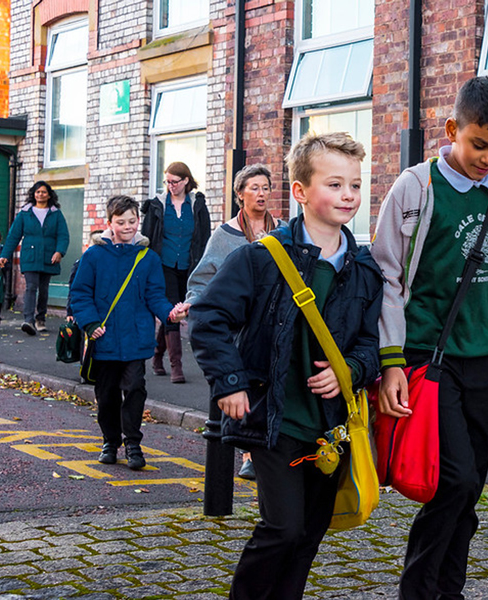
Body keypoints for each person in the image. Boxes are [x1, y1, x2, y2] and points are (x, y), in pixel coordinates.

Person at [188, 132, 382, 599]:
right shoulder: (260, 258)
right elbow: (208, 317)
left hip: (329, 426)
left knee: (310, 533)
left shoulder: (365, 266)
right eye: (334, 185)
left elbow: (373, 343)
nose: (348, 196)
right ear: (300, 191)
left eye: (354, 185)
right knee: (283, 527)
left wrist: (350, 370)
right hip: (273, 418)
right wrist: (230, 383)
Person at [371, 75, 488, 599]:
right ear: (453, 130)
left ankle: (449, 590)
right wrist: (391, 361)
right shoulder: (416, 187)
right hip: (427, 360)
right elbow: (387, 276)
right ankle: (418, 591)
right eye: (479, 145)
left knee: (466, 494)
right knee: (456, 482)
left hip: (483, 362)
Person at [175, 163, 286, 481]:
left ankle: (268, 449)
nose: (261, 193)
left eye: (265, 187)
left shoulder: (284, 231)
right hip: (240, 329)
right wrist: (193, 304)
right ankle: (249, 454)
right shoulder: (224, 236)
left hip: (275, 325)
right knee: (247, 386)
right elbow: (202, 280)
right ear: (240, 194)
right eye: (254, 188)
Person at [69, 195, 182, 470]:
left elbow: (155, 294)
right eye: (121, 222)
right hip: (104, 337)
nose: (128, 226)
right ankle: (110, 441)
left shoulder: (148, 257)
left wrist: (169, 312)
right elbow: (80, 294)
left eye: (132, 221)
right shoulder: (94, 255)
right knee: (106, 394)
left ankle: (133, 443)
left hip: (136, 337)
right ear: (109, 223)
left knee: (134, 389)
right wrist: (91, 324)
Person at [141, 161, 211, 383]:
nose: (170, 186)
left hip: (189, 266)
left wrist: (203, 265)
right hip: (164, 265)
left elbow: (205, 238)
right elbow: (147, 237)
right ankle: (176, 367)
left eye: (175, 181)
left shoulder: (197, 204)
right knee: (172, 309)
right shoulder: (157, 205)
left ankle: (157, 355)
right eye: (167, 181)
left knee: (176, 311)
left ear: (186, 181)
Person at [0, 181, 70, 335]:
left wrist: (59, 252)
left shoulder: (56, 214)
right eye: (37, 192)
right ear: (33, 194)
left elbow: (63, 236)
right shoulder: (25, 213)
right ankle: (28, 320)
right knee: (31, 287)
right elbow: (13, 236)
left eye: (44, 192)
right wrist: (4, 255)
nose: (40, 195)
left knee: (43, 289)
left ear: (49, 195)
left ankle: (40, 319)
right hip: (30, 256)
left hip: (49, 256)